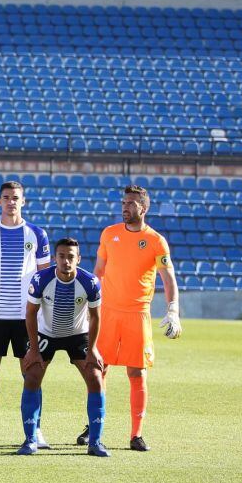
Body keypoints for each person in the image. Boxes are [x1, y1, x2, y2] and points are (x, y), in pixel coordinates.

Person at [84, 184, 181, 453]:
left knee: (137, 372)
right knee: (98, 369)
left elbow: (168, 276)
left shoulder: (156, 241)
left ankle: (136, 435)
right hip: (108, 313)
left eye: (132, 203)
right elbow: (98, 272)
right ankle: (94, 425)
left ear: (144, 208)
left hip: (137, 315)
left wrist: (173, 309)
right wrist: (89, 306)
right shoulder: (109, 233)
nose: (125, 207)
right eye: (124, 202)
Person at [0, 181, 51, 449]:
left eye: (15, 198)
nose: (10, 202)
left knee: (31, 374)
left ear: (23, 201)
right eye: (6, 197)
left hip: (26, 318)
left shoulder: (37, 234)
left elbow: (43, 274)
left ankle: (35, 430)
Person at [19, 238, 107, 456]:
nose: (66, 261)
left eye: (71, 257)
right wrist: (33, 349)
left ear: (78, 259)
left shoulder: (90, 282)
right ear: (54, 258)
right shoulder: (41, 279)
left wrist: (93, 348)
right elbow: (30, 314)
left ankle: (95, 442)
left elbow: (96, 317)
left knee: (96, 378)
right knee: (31, 376)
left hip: (78, 334)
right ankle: (30, 440)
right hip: (47, 333)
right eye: (62, 256)